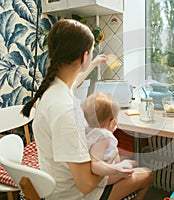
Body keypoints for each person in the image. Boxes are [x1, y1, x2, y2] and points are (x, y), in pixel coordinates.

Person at [21, 19, 110, 199]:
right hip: (73, 195)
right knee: (144, 175)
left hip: (54, 186)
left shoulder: (53, 91)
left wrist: (93, 64)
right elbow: (85, 186)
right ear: (84, 56)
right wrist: (110, 165)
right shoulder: (66, 109)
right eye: (91, 53)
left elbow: (73, 83)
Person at [82, 93, 153, 200]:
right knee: (148, 174)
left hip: (98, 179)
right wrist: (117, 169)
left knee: (128, 162)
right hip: (104, 181)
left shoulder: (88, 131)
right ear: (112, 122)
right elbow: (95, 164)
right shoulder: (103, 137)